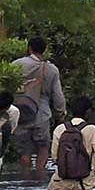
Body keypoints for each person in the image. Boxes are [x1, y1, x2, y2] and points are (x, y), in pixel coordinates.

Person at [10, 37, 66, 170]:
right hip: (42, 116)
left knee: (24, 152)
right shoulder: (51, 70)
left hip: (22, 114)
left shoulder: (17, 65)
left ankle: (27, 179)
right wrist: (60, 115)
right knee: (42, 149)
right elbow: (58, 96)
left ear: (30, 48)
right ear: (44, 50)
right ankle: (40, 178)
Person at [46, 95, 95, 190]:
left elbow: (55, 156)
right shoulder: (92, 130)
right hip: (84, 182)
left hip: (61, 179)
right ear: (87, 112)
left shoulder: (60, 129)